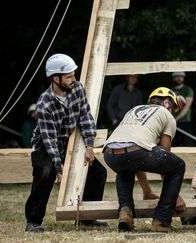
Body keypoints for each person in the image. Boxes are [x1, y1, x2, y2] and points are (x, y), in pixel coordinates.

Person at [24, 54, 108, 233]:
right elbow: (49, 140)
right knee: (46, 172)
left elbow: (86, 117)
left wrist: (90, 146)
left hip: (68, 142)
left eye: (73, 74)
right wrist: (59, 170)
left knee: (98, 172)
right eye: (69, 76)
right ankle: (33, 220)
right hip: (46, 144)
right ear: (56, 78)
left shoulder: (77, 89)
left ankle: (87, 219)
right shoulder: (44, 104)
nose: (74, 79)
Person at [103, 87, 187, 233]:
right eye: (173, 107)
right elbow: (165, 156)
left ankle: (125, 212)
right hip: (135, 150)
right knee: (177, 166)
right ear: (166, 103)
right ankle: (161, 221)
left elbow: (135, 157)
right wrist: (175, 196)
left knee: (125, 167)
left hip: (110, 153)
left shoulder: (134, 110)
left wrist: (147, 191)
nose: (172, 111)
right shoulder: (166, 115)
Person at [171, 72, 195, 146]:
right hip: (172, 122)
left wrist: (176, 119)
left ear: (183, 78)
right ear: (173, 78)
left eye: (181, 76)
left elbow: (187, 107)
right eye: (177, 76)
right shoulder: (170, 91)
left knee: (187, 144)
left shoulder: (188, 89)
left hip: (185, 121)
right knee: (173, 144)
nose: (179, 78)